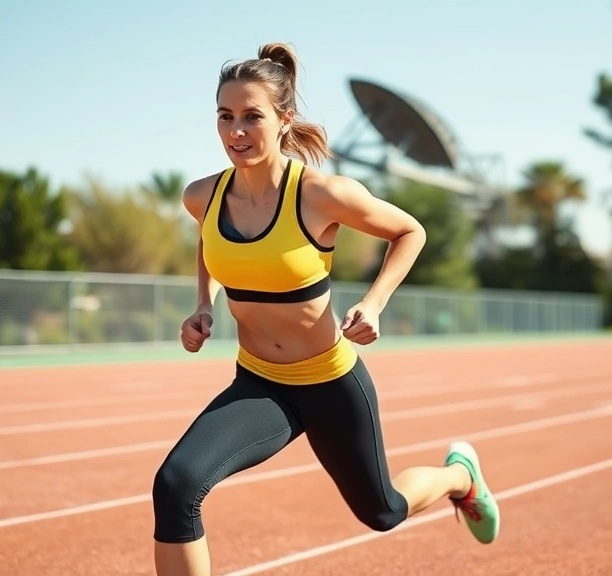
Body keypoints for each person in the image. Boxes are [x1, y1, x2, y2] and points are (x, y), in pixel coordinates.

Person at [150, 42, 500, 575]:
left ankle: (461, 478)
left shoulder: (320, 194)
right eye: (225, 117)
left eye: (251, 117)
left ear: (284, 119)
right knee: (175, 486)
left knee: (382, 512)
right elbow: (210, 243)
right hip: (261, 383)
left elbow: (410, 230)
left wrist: (374, 303)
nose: (235, 132)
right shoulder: (203, 196)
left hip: (330, 382)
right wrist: (203, 302)